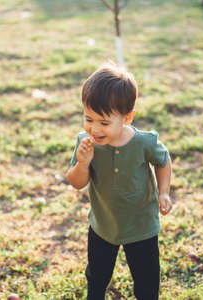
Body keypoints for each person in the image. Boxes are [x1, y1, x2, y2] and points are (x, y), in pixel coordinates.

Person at [66, 63, 173, 300]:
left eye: (104, 123)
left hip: (141, 225)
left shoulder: (144, 142)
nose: (94, 128)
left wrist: (164, 192)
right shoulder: (86, 143)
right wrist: (82, 163)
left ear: (127, 118)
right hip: (103, 225)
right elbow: (76, 182)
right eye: (88, 119)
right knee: (96, 278)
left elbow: (163, 161)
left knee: (146, 283)